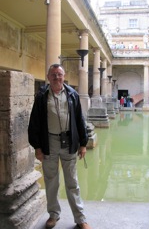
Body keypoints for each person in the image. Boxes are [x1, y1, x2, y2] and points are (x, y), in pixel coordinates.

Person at [28, 64, 91, 229]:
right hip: (49, 142)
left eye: (60, 74)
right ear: (48, 77)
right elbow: (34, 123)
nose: (57, 77)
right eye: (53, 75)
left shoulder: (73, 95)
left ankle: (80, 219)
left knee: (72, 182)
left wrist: (83, 143)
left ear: (64, 77)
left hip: (69, 142)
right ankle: (53, 215)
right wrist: (37, 147)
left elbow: (80, 120)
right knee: (51, 181)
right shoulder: (42, 96)